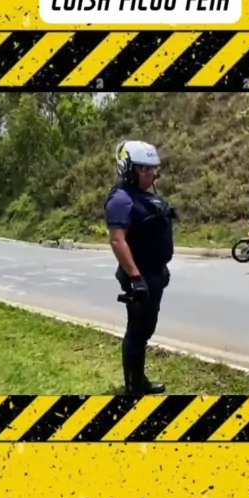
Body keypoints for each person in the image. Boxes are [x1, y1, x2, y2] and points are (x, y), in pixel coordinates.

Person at [104, 139, 177, 395]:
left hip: (154, 273)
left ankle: (139, 380)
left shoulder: (145, 196)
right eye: (144, 169)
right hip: (139, 276)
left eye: (152, 168)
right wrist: (136, 278)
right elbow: (117, 240)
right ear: (129, 169)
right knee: (137, 330)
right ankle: (134, 387)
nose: (150, 174)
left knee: (145, 329)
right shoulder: (121, 199)